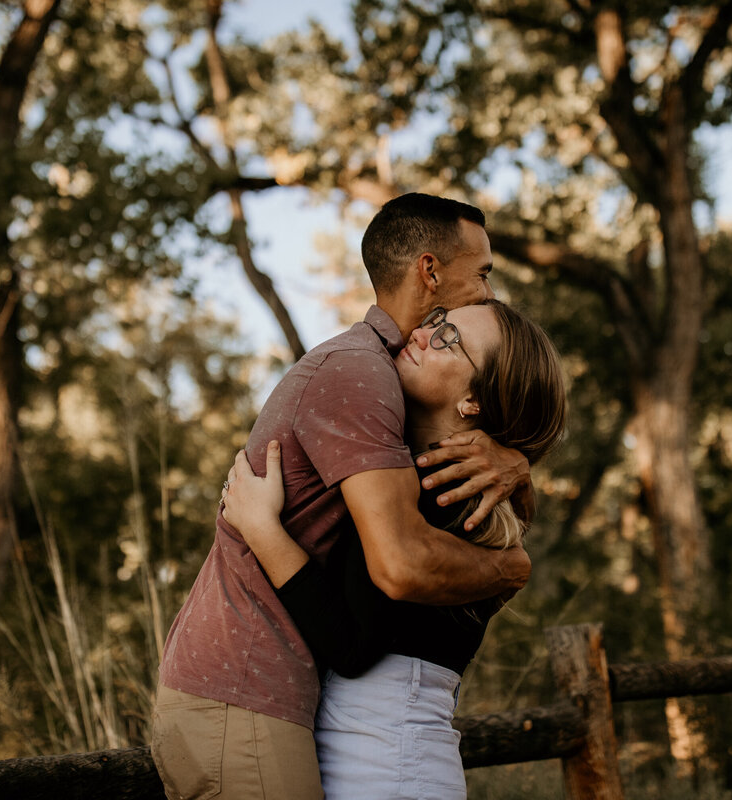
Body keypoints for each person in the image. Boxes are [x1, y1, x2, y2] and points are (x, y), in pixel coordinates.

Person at [151, 194, 536, 800]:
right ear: (431, 272)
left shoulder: (427, 442)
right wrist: (508, 568)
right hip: (247, 687)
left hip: (317, 716)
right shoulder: (363, 374)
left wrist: (517, 461)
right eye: (483, 272)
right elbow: (399, 566)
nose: (488, 290)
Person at [221, 300, 568, 799]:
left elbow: (353, 647)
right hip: (390, 754)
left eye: (450, 338)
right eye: (437, 322)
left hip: (386, 764)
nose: (425, 334)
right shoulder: (468, 497)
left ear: (473, 403)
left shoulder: (442, 500)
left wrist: (263, 531)